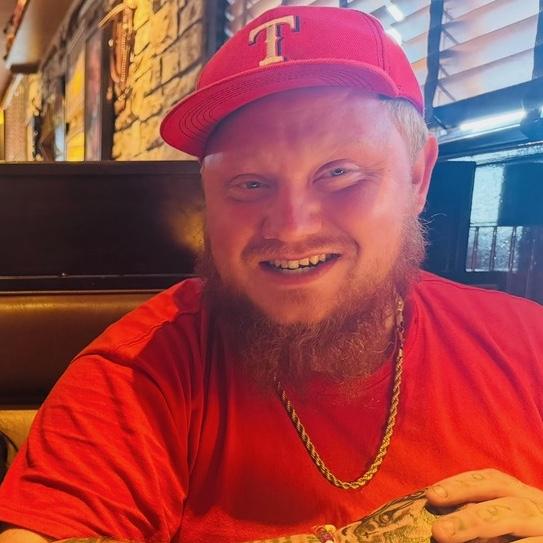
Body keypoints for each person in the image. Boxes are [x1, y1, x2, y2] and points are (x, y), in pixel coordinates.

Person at [1, 5, 543, 543]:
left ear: (418, 177)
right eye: (250, 183)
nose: (290, 227)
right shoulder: (139, 372)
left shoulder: (527, 343)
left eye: (339, 173)